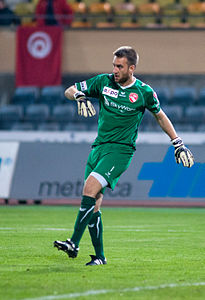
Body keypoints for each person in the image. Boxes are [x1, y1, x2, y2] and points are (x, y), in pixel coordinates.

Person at [54, 46, 194, 266]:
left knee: (89, 189)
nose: (115, 70)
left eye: (119, 66)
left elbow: (160, 116)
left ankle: (74, 242)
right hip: (98, 148)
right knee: (94, 203)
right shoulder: (103, 82)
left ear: (131, 68)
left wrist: (178, 143)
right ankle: (100, 257)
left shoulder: (144, 92)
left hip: (120, 151)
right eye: (114, 65)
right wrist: (79, 96)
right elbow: (69, 90)